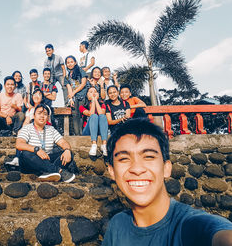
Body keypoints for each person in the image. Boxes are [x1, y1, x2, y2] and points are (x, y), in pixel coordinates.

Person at [102, 118, 232, 246]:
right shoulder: (117, 224)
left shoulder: (191, 225)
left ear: (166, 168)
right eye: (124, 159)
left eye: (148, 157)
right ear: (112, 171)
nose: (137, 169)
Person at [16, 104, 76, 183]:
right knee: (25, 154)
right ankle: (59, 171)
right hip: (31, 162)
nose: (42, 116)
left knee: (68, 153)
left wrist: (67, 150)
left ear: (47, 117)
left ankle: (47, 173)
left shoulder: (51, 129)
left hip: (46, 160)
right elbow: (19, 144)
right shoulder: (27, 128)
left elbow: (63, 142)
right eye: (39, 113)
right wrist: (36, 150)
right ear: (34, 116)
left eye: (45, 114)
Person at [80, 87, 108, 156]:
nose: (93, 93)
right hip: (88, 131)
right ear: (87, 95)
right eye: (91, 92)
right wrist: (93, 100)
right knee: (94, 116)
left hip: (99, 131)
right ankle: (94, 145)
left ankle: (104, 145)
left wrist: (95, 100)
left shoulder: (102, 105)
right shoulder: (82, 106)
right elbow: (91, 114)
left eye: (95, 92)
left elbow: (101, 113)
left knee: (103, 116)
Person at [64, 55, 88, 135]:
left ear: (75, 62)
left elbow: (83, 84)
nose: (70, 64)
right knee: (74, 115)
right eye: (68, 63)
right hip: (74, 98)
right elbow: (69, 88)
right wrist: (70, 99)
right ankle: (77, 135)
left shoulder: (81, 71)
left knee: (81, 115)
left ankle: (83, 134)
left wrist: (73, 93)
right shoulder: (67, 76)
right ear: (66, 65)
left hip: (82, 96)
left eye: (71, 62)